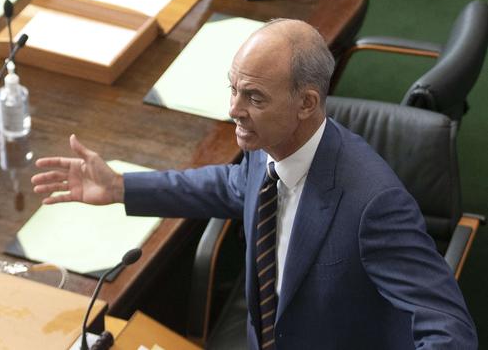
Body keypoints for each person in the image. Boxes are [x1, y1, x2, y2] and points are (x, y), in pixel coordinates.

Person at [31, 19, 477, 349]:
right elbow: (227, 185)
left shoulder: (373, 204)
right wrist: (121, 188)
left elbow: (449, 328)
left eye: (254, 97)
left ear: (306, 103)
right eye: (233, 89)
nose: (233, 109)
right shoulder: (266, 146)